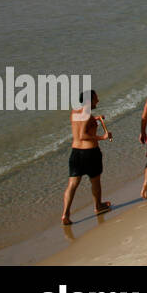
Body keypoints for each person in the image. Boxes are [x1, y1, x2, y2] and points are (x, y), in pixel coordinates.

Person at [62, 89, 113, 225]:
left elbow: (80, 127)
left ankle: (65, 214)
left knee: (72, 185)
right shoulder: (87, 113)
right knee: (95, 181)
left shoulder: (75, 112)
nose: (98, 101)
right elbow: (83, 135)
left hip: (75, 153)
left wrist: (95, 119)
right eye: (96, 98)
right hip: (90, 153)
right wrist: (103, 137)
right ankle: (98, 206)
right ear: (89, 101)